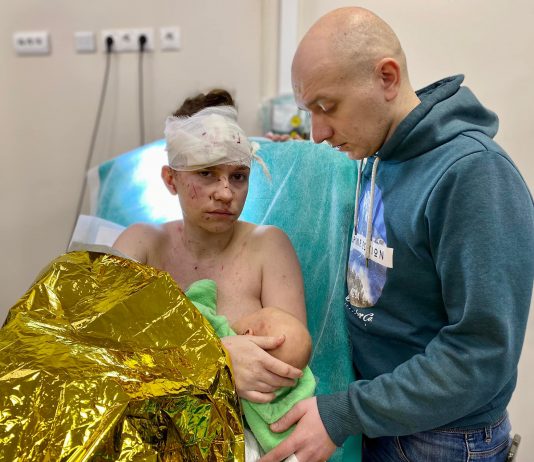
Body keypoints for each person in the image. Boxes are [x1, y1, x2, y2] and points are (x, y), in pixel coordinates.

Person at [259, 7, 534, 462]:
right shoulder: (378, 152)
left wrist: (347, 412)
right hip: (383, 418)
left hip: (442, 439)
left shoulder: (474, 175)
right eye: (309, 112)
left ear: (387, 78)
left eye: (327, 107)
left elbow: (481, 352)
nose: (318, 133)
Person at [113, 89, 307, 405]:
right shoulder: (142, 243)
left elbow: (288, 366)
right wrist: (216, 360)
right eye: (206, 173)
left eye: (238, 176)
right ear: (171, 180)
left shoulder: (269, 247)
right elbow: (102, 350)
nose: (225, 193)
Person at [185, 278, 315, 460]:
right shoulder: (294, 391)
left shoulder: (220, 333)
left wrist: (204, 290)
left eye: (256, 313)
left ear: (248, 333)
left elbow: (194, 312)